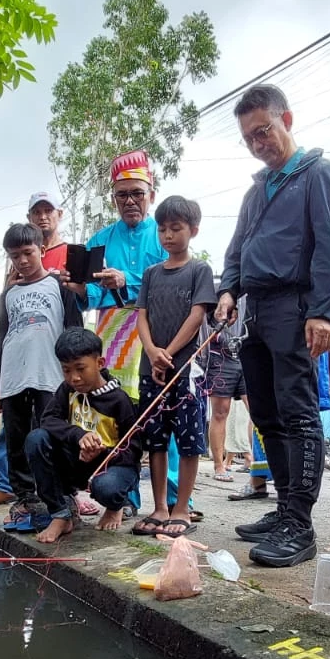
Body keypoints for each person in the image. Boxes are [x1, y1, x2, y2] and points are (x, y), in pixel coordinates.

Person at [215, 84, 330, 568]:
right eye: (249, 138)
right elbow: (236, 249)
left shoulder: (319, 174)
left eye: (264, 131)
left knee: (297, 414)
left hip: (297, 308)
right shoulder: (257, 191)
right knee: (267, 415)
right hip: (254, 311)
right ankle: (283, 508)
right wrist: (229, 290)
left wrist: (324, 311)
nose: (258, 143)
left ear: (286, 120)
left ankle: (301, 523)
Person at [133, 195, 218, 537]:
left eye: (176, 228)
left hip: (185, 371)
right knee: (155, 439)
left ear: (193, 230)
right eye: (163, 229)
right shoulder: (151, 274)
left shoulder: (200, 270)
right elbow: (141, 317)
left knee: (188, 439)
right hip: (150, 368)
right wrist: (152, 351)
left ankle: (182, 507)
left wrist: (167, 352)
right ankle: (158, 507)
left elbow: (198, 315)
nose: (168, 235)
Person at [0, 223, 83, 534]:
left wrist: (76, 376)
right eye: (15, 256)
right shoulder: (9, 295)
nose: (23, 261)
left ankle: (63, 497)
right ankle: (25, 499)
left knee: (53, 437)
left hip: (50, 376)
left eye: (28, 253)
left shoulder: (59, 288)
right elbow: (1, 337)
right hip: (14, 377)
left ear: (41, 250)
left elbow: (74, 331)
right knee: (16, 438)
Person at [29, 327, 143, 543]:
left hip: (111, 466)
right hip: (78, 465)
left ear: (99, 364)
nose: (74, 378)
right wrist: (78, 435)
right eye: (66, 370)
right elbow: (48, 420)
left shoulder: (119, 400)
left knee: (107, 488)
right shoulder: (67, 391)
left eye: (81, 368)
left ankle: (116, 504)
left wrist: (102, 453)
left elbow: (134, 450)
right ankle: (61, 514)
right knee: (36, 439)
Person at [73, 150, 169, 402]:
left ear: (152, 195)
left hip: (155, 328)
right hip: (111, 330)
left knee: (156, 405)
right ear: (113, 199)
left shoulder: (165, 235)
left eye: (137, 193)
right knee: (114, 403)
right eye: (122, 194)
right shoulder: (99, 240)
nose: (129, 201)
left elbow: (172, 280)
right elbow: (93, 295)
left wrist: (127, 279)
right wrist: (81, 289)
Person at [204, 316, 246, 482]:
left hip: (247, 350)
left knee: (258, 410)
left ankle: (260, 465)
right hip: (220, 355)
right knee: (220, 412)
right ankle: (219, 465)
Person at [28, 188, 71, 274]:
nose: (43, 217)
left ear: (60, 214)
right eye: (36, 212)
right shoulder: (24, 256)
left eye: (48, 211)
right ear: (29, 218)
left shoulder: (71, 254)